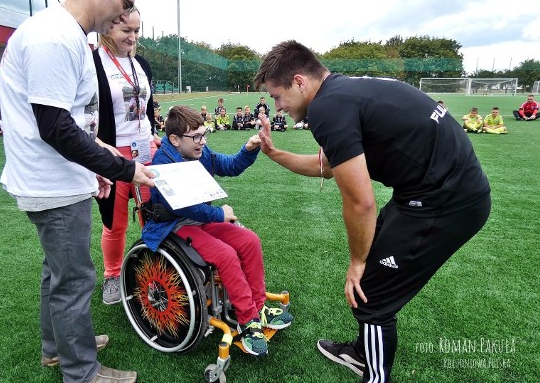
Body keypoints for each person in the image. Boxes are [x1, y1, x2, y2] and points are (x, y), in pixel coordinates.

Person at [253, 40, 491, 383]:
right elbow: (329, 167)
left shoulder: (326, 109)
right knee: (370, 279)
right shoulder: (343, 92)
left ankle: (375, 376)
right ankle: (363, 352)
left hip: (447, 203)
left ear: (300, 82)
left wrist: (357, 261)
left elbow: (361, 202)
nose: (277, 107)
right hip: (432, 194)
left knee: (373, 295)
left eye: (277, 96)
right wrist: (275, 153)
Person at [0, 0, 152, 382]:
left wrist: (98, 166)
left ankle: (58, 347)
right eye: (125, 4)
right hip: (51, 184)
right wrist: (120, 168)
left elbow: (74, 124)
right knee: (74, 281)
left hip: (60, 179)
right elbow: (56, 129)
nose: (125, 16)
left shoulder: (67, 35)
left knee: (57, 273)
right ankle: (82, 372)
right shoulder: (53, 37)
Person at [141, 105, 293, 357]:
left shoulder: (200, 151)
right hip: (174, 225)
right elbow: (184, 206)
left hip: (200, 220)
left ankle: (257, 307)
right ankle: (247, 320)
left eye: (204, 134)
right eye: (196, 137)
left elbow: (230, 165)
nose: (202, 141)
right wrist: (219, 214)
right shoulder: (163, 162)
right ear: (175, 139)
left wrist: (249, 148)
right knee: (225, 255)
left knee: (250, 241)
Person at [92, 7, 160, 306]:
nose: (133, 38)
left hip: (146, 148)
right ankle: (112, 275)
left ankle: (152, 265)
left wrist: (154, 131)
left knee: (152, 213)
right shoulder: (92, 64)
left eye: (136, 31)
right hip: (112, 152)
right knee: (115, 221)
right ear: (107, 28)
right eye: (126, 31)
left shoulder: (141, 63)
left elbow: (148, 104)